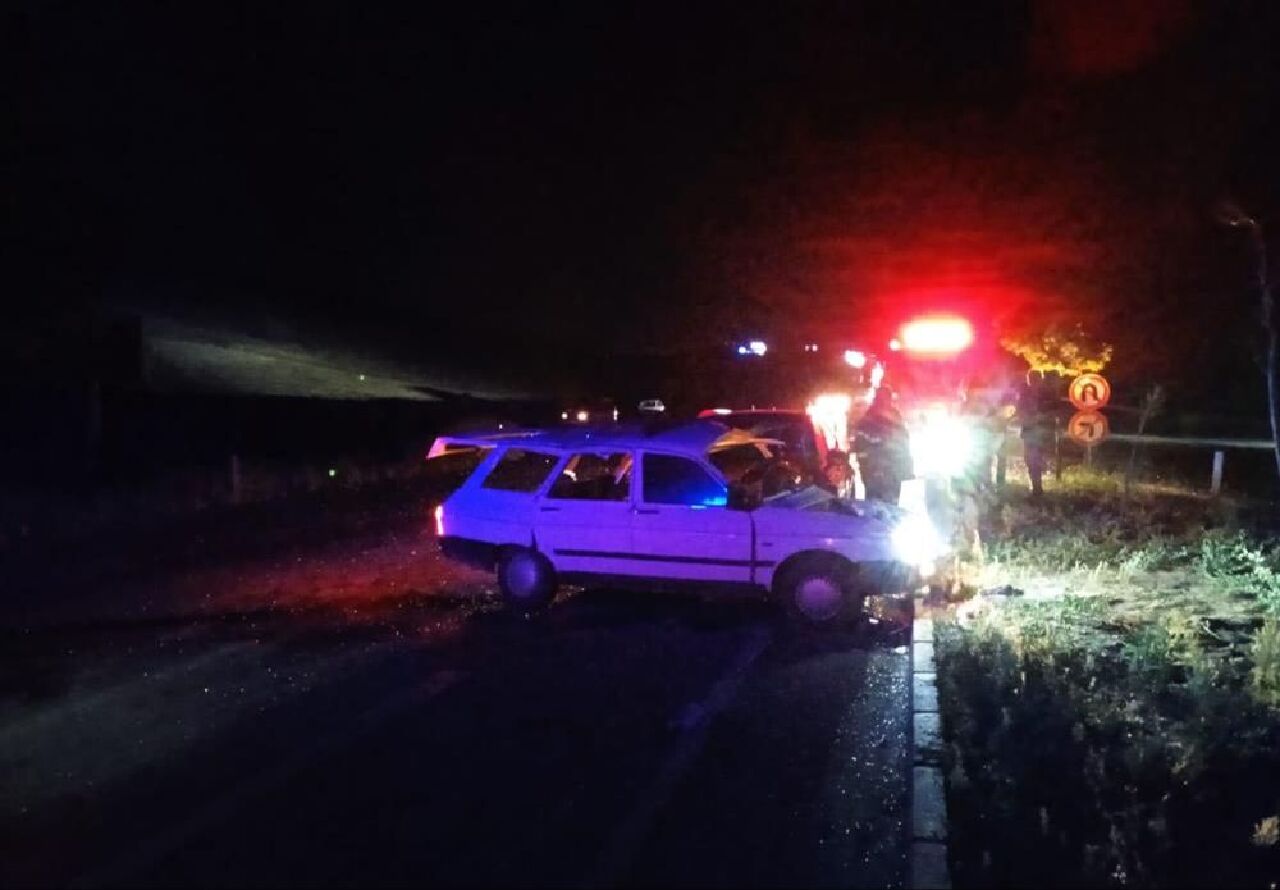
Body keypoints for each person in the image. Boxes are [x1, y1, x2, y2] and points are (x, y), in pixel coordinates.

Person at [853, 387, 912, 504]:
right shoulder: (870, 419)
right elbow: (861, 447)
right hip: (879, 473)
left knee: (884, 505)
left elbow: (904, 444)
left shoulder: (891, 416)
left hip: (888, 473)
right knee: (881, 505)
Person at [1019, 382, 1054, 497]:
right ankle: (1035, 486)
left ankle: (1037, 488)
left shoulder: (1044, 396)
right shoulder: (1025, 396)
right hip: (1030, 432)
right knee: (1031, 460)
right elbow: (1021, 412)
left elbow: (1051, 412)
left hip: (1037, 433)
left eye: (1035, 378)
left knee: (1035, 460)